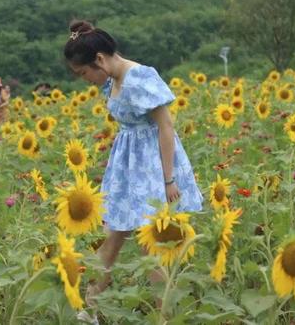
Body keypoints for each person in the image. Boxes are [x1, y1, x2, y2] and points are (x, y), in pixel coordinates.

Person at [63, 20, 203, 315]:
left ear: (99, 59)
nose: (85, 79)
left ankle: (162, 317)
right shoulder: (111, 80)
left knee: (150, 246)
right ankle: (87, 310)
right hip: (126, 165)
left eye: (84, 72)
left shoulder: (140, 77)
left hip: (153, 166)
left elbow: (165, 127)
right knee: (110, 237)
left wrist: (168, 180)